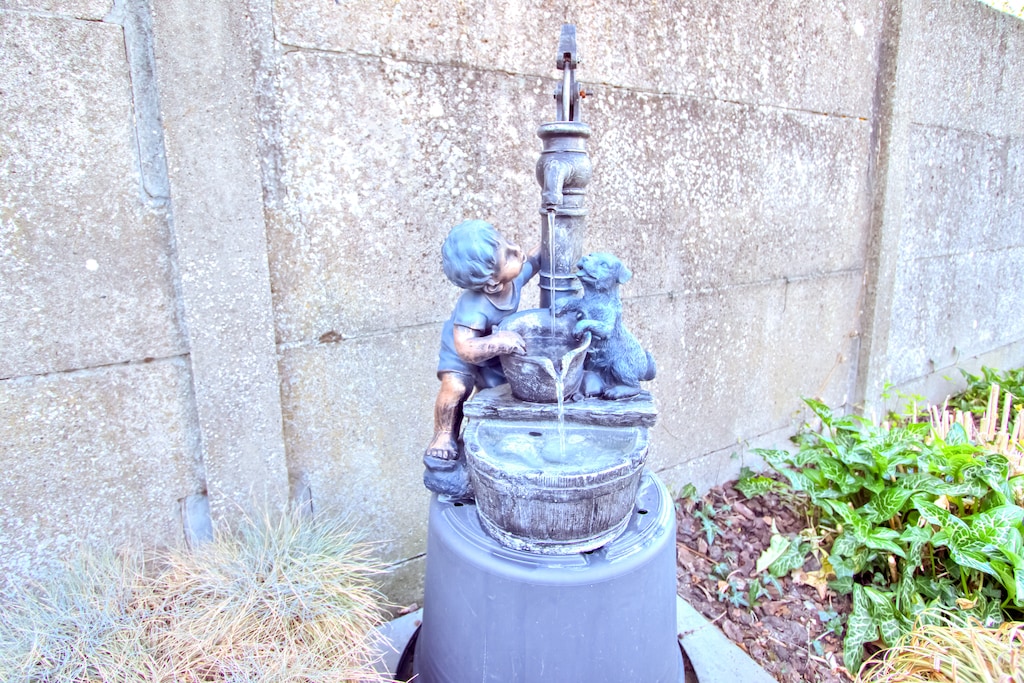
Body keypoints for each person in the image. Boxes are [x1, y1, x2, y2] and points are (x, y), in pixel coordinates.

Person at [425, 220, 540, 468]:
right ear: (492, 284)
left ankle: (483, 429)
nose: (517, 250)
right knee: (456, 388)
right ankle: (444, 435)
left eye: (508, 243)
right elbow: (467, 349)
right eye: (508, 255)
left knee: (500, 390)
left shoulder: (511, 281)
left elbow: (535, 260)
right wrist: (498, 341)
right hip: (461, 349)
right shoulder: (474, 308)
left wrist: (554, 234)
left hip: (493, 348)